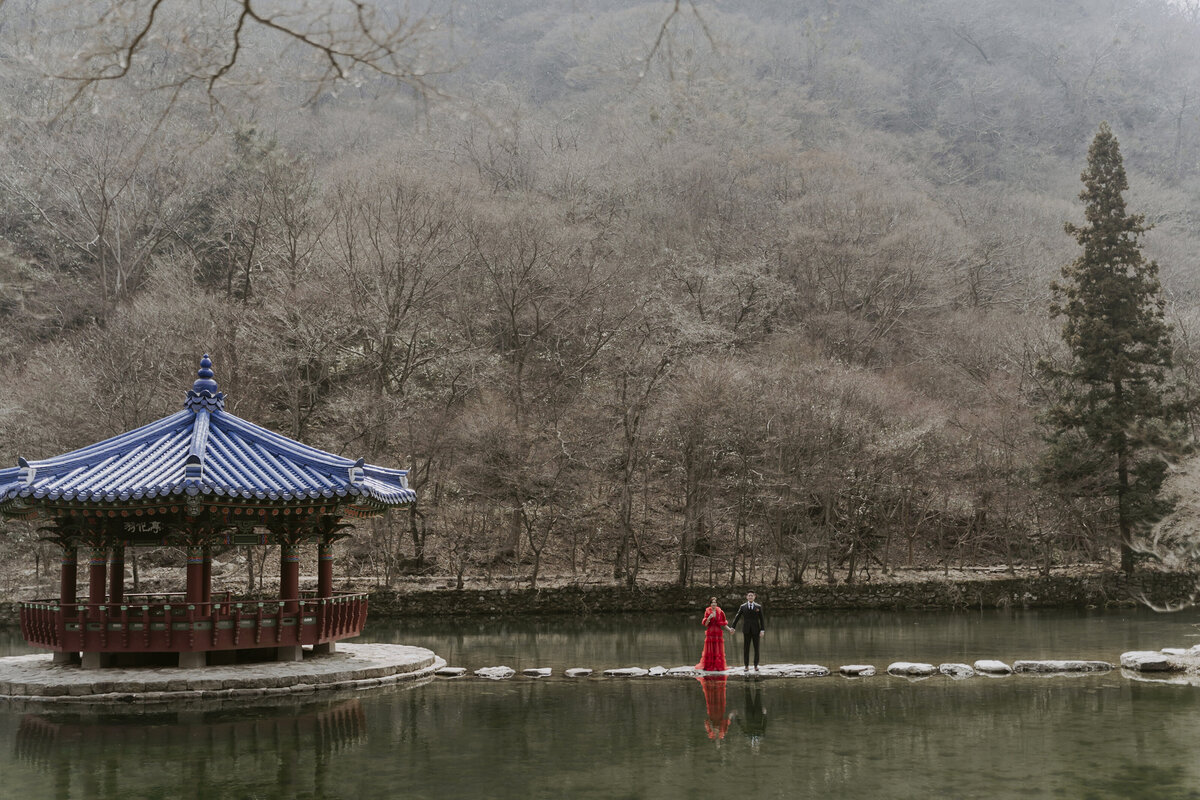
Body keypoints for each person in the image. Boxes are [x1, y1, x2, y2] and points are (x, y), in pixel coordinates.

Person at [729, 591, 766, 672]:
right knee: (746, 648)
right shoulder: (743, 607)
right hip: (746, 630)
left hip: (756, 630)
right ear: (746, 597)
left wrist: (762, 630)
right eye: (749, 596)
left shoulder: (758, 607)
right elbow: (737, 617)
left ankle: (756, 665)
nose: (750, 597)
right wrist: (733, 627)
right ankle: (746, 666)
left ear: (754, 596)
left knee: (757, 648)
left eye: (751, 596)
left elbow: (762, 619)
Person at [696, 596, 728, 672]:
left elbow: (723, 623)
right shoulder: (707, 611)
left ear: (717, 604)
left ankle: (718, 666)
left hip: (718, 634)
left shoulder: (720, 612)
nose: (714, 604)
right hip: (710, 633)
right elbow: (706, 624)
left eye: (715, 603)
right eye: (712, 603)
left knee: (718, 650)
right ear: (710, 604)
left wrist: (730, 629)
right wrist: (709, 618)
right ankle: (709, 666)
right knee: (709, 649)